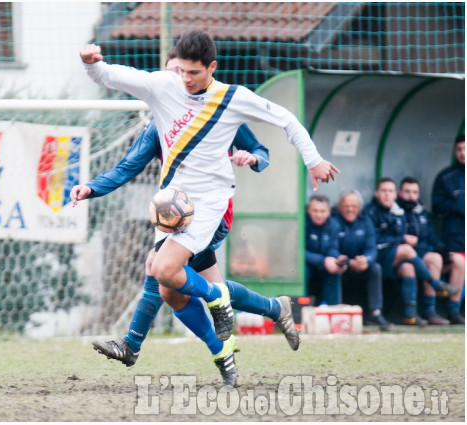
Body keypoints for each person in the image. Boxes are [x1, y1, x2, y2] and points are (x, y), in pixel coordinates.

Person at [80, 30, 338, 386]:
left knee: (163, 269)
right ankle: (236, 336)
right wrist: (91, 63)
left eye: (193, 73)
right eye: (180, 71)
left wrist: (314, 160)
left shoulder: (232, 98)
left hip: (210, 201)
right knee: (170, 288)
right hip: (172, 203)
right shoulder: (164, 87)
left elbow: (286, 121)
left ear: (212, 67)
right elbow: (110, 75)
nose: (184, 80)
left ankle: (148, 337)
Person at [364, 178, 457, 326]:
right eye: (383, 191)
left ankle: (411, 315)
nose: (387, 195)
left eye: (390, 191)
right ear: (376, 193)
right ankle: (435, 284)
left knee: (410, 267)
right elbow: (375, 240)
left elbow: (428, 235)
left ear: (395, 194)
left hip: (397, 257)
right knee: (406, 250)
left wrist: (441, 248)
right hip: (377, 257)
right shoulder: (370, 212)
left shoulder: (397, 212)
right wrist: (401, 239)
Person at [398, 176, 464, 325]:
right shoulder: (396, 210)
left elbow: (431, 235)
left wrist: (441, 248)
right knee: (434, 259)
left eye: (414, 192)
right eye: (407, 191)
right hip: (408, 256)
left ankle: (454, 311)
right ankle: (429, 310)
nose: (411, 196)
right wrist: (404, 238)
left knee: (458, 260)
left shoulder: (421, 211)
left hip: (425, 252)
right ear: (399, 193)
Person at [332, 189, 392, 330]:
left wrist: (366, 260)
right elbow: (332, 248)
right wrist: (347, 261)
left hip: (360, 266)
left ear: (359, 208)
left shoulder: (366, 221)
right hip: (342, 265)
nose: (350, 210)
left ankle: (375, 313)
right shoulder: (334, 221)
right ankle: (337, 313)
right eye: (346, 206)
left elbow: (372, 248)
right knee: (336, 268)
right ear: (340, 207)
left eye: (354, 206)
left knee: (375, 268)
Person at [432, 133, 465, 322]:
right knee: (460, 267)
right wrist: (458, 206)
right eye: (459, 149)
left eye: (465, 148)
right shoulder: (446, 177)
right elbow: (437, 206)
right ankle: (454, 311)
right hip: (456, 236)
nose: (463, 153)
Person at [304, 194, 347, 306]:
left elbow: (333, 248)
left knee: (335, 270)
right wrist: (323, 260)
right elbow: (299, 252)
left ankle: (332, 308)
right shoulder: (302, 222)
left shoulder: (334, 225)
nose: (319, 215)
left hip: (324, 265)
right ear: (308, 210)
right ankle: (302, 308)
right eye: (315, 211)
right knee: (303, 270)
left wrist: (337, 259)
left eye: (322, 211)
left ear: (329, 212)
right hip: (308, 264)